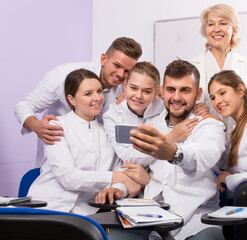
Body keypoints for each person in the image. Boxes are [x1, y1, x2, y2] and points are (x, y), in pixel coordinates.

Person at [110, 60, 226, 240]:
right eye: (171, 90)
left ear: (198, 93)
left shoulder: (209, 125)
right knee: (116, 236)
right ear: (162, 91)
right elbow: (133, 163)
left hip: (196, 217)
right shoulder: (151, 124)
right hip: (151, 215)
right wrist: (120, 187)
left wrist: (172, 151)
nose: (177, 97)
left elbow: (205, 154)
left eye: (185, 90)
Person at [27, 69, 142, 215]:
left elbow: (123, 170)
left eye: (99, 91)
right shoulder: (57, 126)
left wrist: (118, 188)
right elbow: (68, 177)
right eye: (88, 94)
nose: (97, 98)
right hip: (50, 206)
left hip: (87, 212)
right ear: (72, 99)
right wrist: (115, 177)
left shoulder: (108, 132)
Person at [15, 37, 142, 167]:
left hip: (102, 159)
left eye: (127, 71)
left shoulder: (127, 88)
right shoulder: (63, 76)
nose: (121, 74)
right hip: (60, 148)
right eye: (117, 65)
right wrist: (37, 126)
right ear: (104, 59)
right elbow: (25, 105)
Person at [98, 62, 202, 201]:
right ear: (124, 86)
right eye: (133, 88)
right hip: (130, 178)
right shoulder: (112, 115)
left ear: (157, 92)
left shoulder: (165, 109)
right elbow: (129, 158)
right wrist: (171, 138)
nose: (138, 96)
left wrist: (202, 108)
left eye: (147, 91)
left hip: (158, 184)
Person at [190, 3, 247, 135]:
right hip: (205, 137)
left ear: (234, 29)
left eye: (223, 23)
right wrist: (194, 110)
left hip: (241, 137)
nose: (216, 29)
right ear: (205, 30)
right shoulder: (192, 66)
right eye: (211, 24)